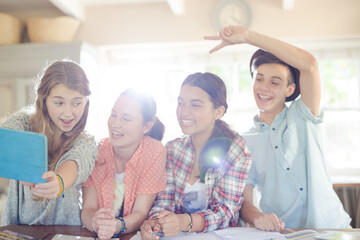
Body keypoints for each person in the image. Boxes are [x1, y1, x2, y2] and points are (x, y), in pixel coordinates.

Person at [205, 25, 351, 230]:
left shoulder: (304, 114)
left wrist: (247, 36)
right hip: (283, 232)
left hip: (330, 227)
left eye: (275, 82)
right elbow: (244, 202)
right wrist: (258, 218)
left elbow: (309, 65)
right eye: (259, 79)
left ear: (289, 89)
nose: (264, 88)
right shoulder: (244, 142)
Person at [140, 72, 252, 239]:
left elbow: (225, 213)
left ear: (218, 111)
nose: (184, 112)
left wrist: (182, 222)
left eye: (195, 105)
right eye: (181, 103)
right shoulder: (172, 149)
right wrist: (155, 223)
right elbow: (163, 203)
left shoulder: (235, 150)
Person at [1, 60, 97, 225]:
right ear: (44, 99)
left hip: (65, 234)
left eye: (77, 103)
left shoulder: (86, 141)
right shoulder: (24, 122)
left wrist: (58, 182)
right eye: (59, 103)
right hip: (18, 232)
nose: (68, 113)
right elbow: (6, 139)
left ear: (86, 102)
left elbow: (76, 163)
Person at [81, 88, 167, 240]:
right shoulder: (96, 150)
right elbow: (88, 209)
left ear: (146, 126)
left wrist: (115, 226)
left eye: (126, 119)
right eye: (113, 114)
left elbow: (141, 212)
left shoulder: (154, 151)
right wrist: (94, 222)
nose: (115, 123)